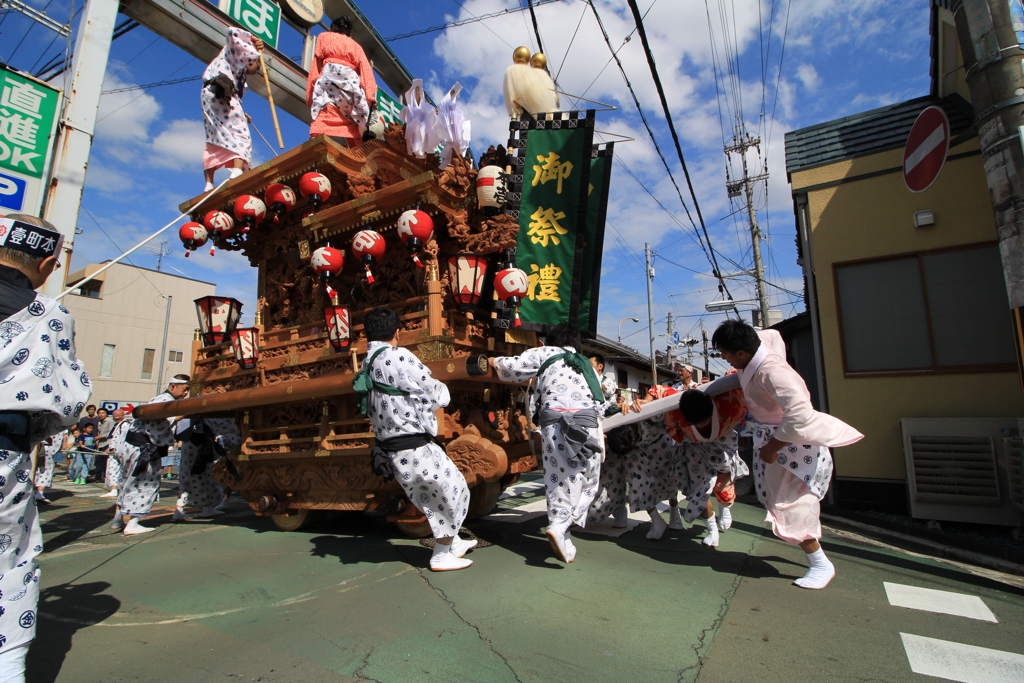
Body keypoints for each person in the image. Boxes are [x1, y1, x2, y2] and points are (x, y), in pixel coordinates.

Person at [0, 213, 92, 681]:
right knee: (8, 565)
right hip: (3, 449)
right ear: (50, 263)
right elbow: (70, 400)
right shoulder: (48, 316)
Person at [712, 320, 863, 589]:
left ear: (742, 353)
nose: (722, 357)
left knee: (791, 504)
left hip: (791, 445)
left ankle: (820, 562)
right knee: (776, 498)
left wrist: (772, 448)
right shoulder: (757, 348)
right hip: (772, 439)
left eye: (724, 351)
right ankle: (816, 556)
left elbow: (801, 414)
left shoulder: (774, 371)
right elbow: (773, 335)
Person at [359, 307, 474, 571]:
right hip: (412, 443)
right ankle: (441, 554)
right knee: (450, 491)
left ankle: (453, 542)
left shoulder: (367, 360)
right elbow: (431, 389)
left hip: (393, 445)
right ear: (397, 332)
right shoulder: (398, 355)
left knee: (436, 492)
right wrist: (443, 394)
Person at [491, 324, 608, 563]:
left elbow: (512, 366)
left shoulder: (544, 353)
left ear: (551, 342)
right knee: (589, 479)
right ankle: (564, 527)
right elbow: (601, 403)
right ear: (576, 344)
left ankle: (559, 524)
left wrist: (494, 361)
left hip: (553, 423)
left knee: (557, 477)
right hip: (586, 424)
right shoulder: (587, 365)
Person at [671, 388, 750, 547]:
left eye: (704, 422)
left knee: (723, 487)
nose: (701, 425)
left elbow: (738, 381)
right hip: (695, 450)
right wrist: (643, 401)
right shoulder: (677, 414)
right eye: (697, 423)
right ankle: (711, 528)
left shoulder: (729, 407)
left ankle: (724, 506)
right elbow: (658, 391)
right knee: (698, 492)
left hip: (722, 448)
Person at [111, 376, 187, 535]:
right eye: (184, 389)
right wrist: (190, 411)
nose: (186, 393)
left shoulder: (159, 398)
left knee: (127, 482)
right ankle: (132, 523)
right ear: (173, 386)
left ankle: (117, 519)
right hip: (143, 447)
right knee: (145, 484)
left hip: (131, 445)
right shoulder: (166, 400)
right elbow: (164, 422)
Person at [201, 28, 264, 192]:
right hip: (219, 89)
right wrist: (252, 39)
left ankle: (209, 184)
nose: (253, 67)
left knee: (216, 135)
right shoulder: (232, 51)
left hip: (212, 94)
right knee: (241, 134)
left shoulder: (239, 73)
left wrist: (242, 114)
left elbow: (234, 102)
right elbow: (231, 31)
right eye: (254, 63)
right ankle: (237, 171)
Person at [306, 16, 378, 147]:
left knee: (325, 112)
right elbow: (366, 71)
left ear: (333, 27)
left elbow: (316, 66)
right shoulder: (356, 46)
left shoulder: (324, 37)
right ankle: (357, 149)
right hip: (350, 86)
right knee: (353, 120)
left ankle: (315, 141)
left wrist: (310, 94)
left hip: (328, 81)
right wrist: (370, 97)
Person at [585, 353, 630, 528]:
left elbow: (604, 389)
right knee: (591, 475)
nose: (587, 368)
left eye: (590, 364)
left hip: (610, 434)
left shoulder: (608, 381)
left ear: (600, 366)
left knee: (615, 475)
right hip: (591, 433)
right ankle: (583, 513)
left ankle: (620, 513)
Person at [172, 416, 240, 520]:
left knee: (187, 478)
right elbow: (227, 426)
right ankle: (205, 508)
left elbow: (180, 432)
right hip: (200, 445)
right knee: (204, 478)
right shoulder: (202, 415)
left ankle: (184, 508)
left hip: (190, 444)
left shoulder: (187, 414)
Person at [100, 408, 127, 498]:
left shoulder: (125, 425)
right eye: (115, 415)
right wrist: (109, 448)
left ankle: (115, 489)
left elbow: (123, 438)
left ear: (123, 415)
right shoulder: (117, 425)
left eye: (119, 415)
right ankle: (114, 488)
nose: (117, 417)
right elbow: (114, 438)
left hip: (120, 451)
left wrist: (116, 448)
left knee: (115, 469)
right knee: (113, 469)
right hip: (114, 450)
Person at [34, 435, 61, 504]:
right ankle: (39, 493)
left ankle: (37, 492)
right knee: (45, 471)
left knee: (36, 470)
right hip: (45, 447)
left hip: (35, 446)